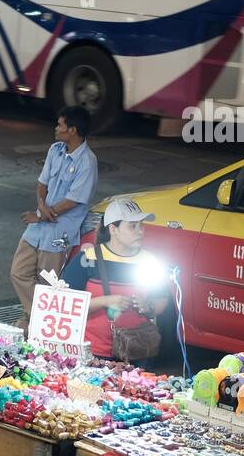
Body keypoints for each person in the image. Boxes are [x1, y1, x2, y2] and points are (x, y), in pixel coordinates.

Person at [10, 105, 97, 331]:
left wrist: (42, 216)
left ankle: (33, 324)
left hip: (60, 232)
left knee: (47, 281)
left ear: (73, 130)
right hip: (39, 226)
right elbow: (42, 184)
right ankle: (37, 316)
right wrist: (41, 205)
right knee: (19, 272)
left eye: (60, 125)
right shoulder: (55, 150)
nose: (56, 128)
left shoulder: (87, 162)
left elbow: (74, 201)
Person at [60, 198, 168, 361]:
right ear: (113, 229)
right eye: (132, 226)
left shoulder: (150, 261)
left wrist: (147, 307)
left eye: (141, 225)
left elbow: (161, 299)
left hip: (137, 350)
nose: (140, 231)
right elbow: (65, 303)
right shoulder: (88, 258)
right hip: (92, 353)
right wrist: (105, 301)